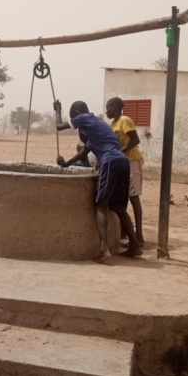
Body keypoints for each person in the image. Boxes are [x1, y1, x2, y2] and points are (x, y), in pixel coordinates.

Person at [54, 99, 142, 261]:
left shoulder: (84, 118)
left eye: (73, 116)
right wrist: (66, 164)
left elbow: (59, 126)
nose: (74, 121)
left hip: (110, 161)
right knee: (117, 206)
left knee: (100, 204)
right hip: (123, 161)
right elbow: (85, 150)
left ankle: (104, 249)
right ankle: (135, 245)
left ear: (76, 114)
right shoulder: (98, 123)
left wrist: (57, 111)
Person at [105, 97, 145, 246]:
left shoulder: (125, 120)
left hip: (132, 160)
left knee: (133, 197)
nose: (106, 111)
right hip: (123, 163)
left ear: (114, 107)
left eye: (107, 107)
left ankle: (139, 235)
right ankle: (124, 232)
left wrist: (122, 151)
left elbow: (135, 140)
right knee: (124, 196)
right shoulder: (112, 124)